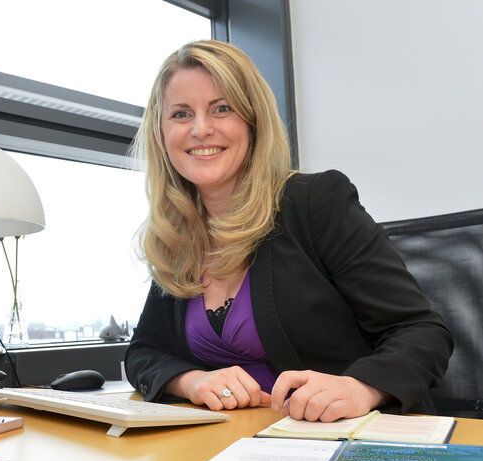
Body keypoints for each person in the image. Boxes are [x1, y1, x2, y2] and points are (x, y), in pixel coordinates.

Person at [124, 40, 452, 423]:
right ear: (161, 134)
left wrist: (359, 388)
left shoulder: (313, 202)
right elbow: (144, 351)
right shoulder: (181, 235)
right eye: (181, 114)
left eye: (222, 108)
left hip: (342, 437)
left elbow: (423, 331)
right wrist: (192, 381)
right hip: (232, 445)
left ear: (252, 121)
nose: (201, 129)